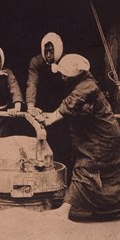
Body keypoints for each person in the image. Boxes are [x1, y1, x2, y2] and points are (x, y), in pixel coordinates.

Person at [41, 54, 120, 221]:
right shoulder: (81, 83)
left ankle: (64, 210)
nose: (62, 76)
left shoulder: (87, 86)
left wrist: (51, 118)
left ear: (75, 75)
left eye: (65, 74)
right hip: (101, 136)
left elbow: (71, 103)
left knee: (86, 168)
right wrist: (51, 115)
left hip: (102, 138)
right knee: (113, 174)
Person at [26, 32, 72, 171]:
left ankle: (64, 176)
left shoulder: (67, 61)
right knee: (42, 141)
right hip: (43, 106)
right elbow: (32, 83)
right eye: (46, 51)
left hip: (63, 106)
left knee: (64, 142)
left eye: (52, 51)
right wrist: (30, 105)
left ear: (58, 49)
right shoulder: (36, 62)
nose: (49, 55)